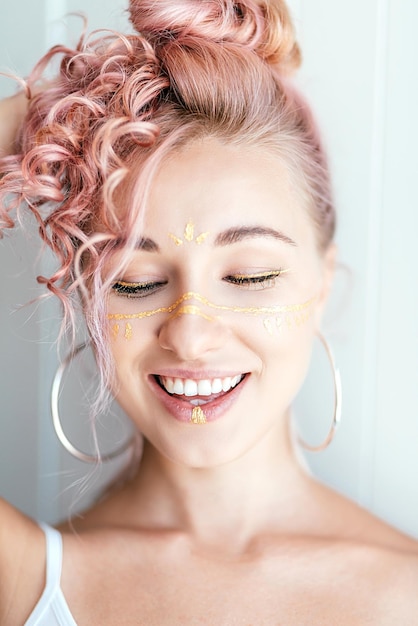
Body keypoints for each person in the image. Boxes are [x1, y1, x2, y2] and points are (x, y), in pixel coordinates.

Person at [1, 1, 417, 624]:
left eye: (250, 275)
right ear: (89, 292)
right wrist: (49, 112)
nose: (190, 335)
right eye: (135, 282)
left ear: (322, 281)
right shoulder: (23, 581)